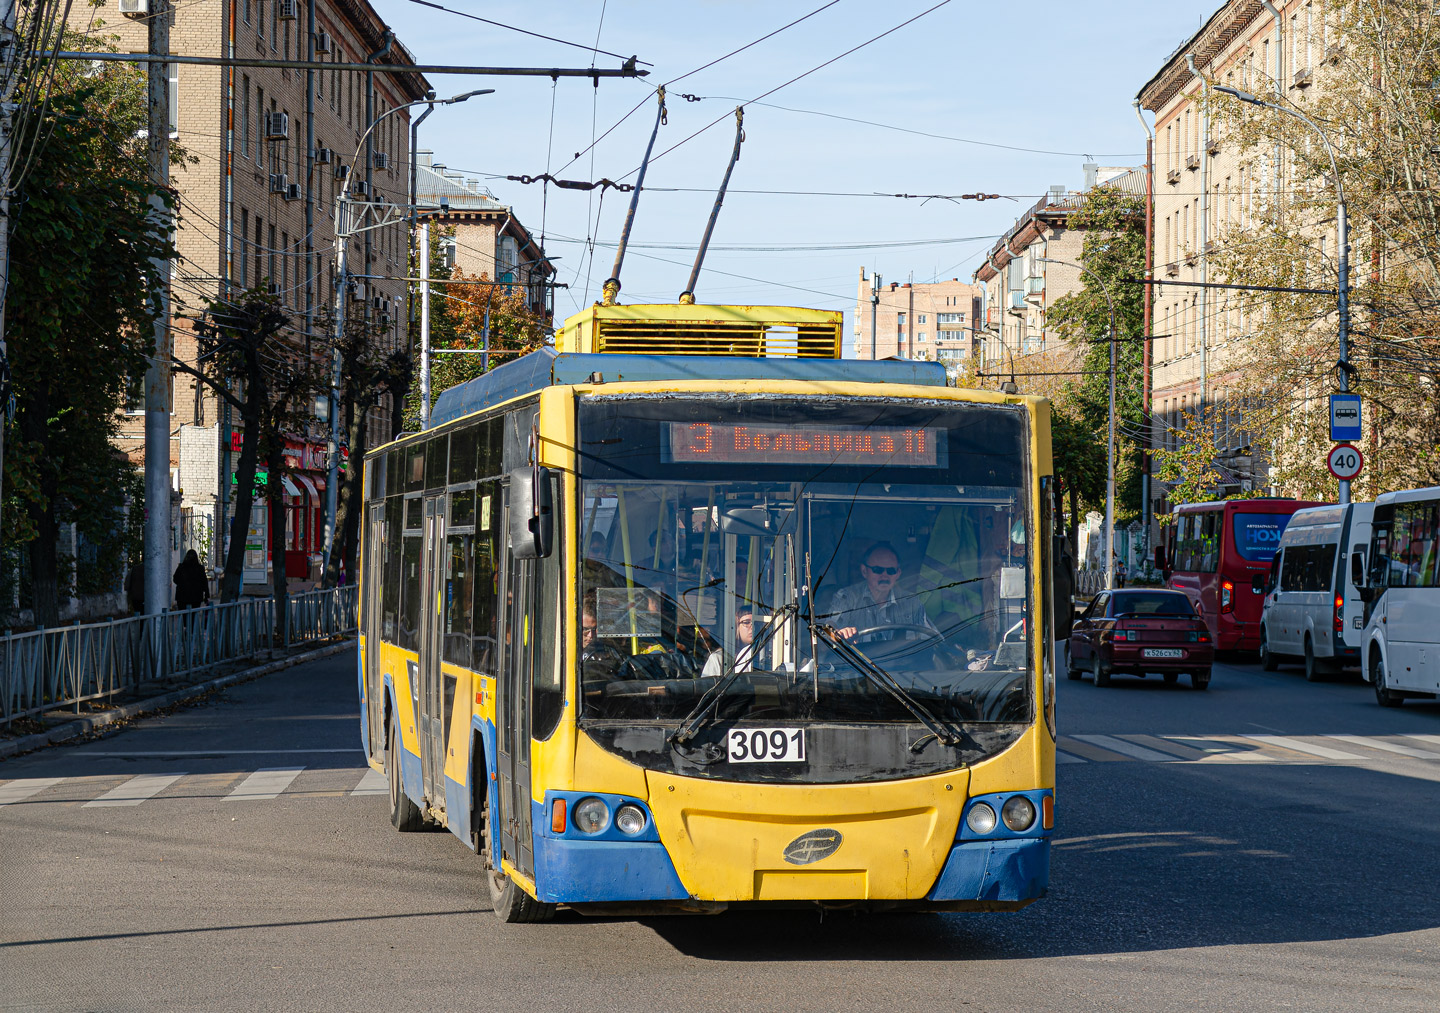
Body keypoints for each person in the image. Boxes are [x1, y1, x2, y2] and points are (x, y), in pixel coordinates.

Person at [828, 542, 933, 640]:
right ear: (864, 571)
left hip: (902, 659)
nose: (885, 575)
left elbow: (932, 639)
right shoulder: (847, 597)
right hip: (857, 660)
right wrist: (839, 633)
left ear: (898, 573)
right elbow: (828, 632)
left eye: (891, 571)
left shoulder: (911, 602)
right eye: (878, 570)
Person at [702, 608, 756, 678]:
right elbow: (707, 686)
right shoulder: (719, 658)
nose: (752, 627)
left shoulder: (764, 657)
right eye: (746, 622)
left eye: (755, 623)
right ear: (736, 626)